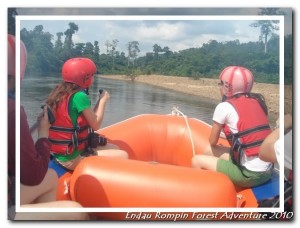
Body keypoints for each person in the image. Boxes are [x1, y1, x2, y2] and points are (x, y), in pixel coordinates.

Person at [7, 34, 88, 220]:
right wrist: (43, 133)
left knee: (51, 176)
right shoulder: (11, 110)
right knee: (76, 210)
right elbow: (33, 174)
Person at [192, 66, 273, 188]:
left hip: (250, 174)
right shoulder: (258, 102)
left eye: (221, 84)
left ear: (227, 86)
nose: (219, 87)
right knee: (208, 151)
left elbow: (212, 141)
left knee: (196, 160)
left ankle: (201, 196)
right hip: (268, 170)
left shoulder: (224, 107)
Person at [45, 57, 128, 171]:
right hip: (70, 158)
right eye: (92, 76)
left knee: (115, 148)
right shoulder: (79, 96)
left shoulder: (60, 92)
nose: (93, 78)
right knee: (123, 155)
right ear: (85, 78)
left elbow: (90, 118)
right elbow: (95, 125)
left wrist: (100, 99)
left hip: (66, 151)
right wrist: (103, 101)